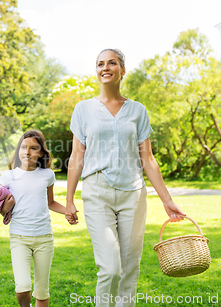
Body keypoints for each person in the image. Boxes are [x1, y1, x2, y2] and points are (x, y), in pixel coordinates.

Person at [65, 49, 186, 307]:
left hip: (133, 193)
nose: (105, 67)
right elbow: (77, 156)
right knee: (110, 268)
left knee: (130, 269)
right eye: (100, 64)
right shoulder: (83, 109)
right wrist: (69, 200)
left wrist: (167, 200)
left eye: (112, 63)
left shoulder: (137, 111)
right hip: (97, 192)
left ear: (122, 70)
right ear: (96, 71)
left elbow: (148, 159)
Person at [0, 130, 67, 307]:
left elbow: (51, 202)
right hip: (19, 238)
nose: (27, 152)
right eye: (23, 147)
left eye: (33, 148)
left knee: (42, 291)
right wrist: (6, 207)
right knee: (23, 286)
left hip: (44, 239)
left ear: (41, 152)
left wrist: (67, 211)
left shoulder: (47, 175)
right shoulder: (8, 176)